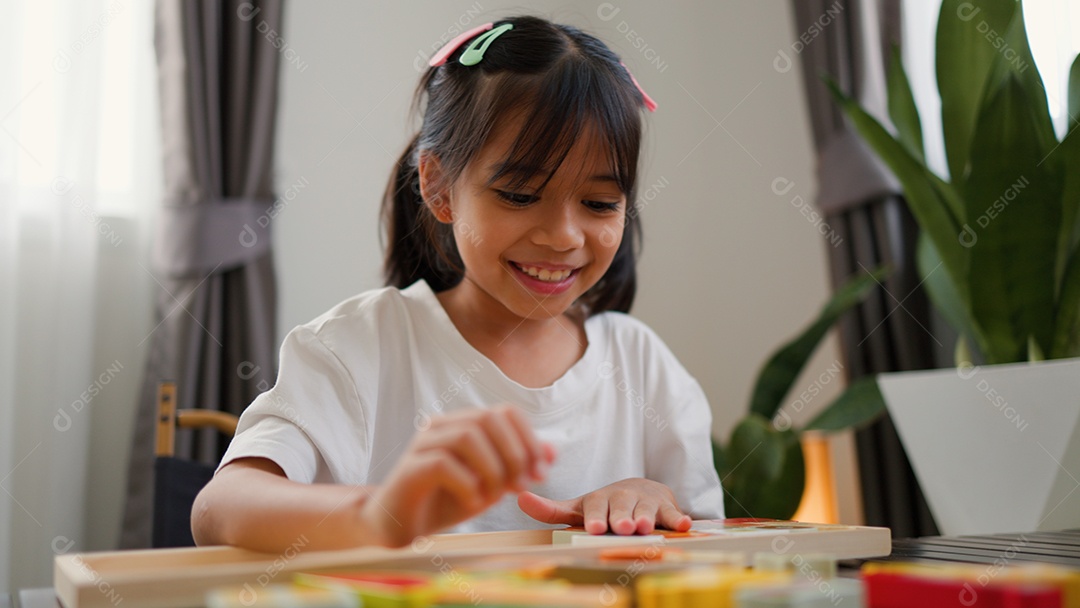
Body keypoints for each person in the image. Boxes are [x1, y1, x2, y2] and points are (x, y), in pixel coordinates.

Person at [192, 15, 723, 554]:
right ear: (439, 187)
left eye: (599, 203)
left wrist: (652, 501)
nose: (563, 236)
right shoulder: (359, 346)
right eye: (520, 195)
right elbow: (219, 508)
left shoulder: (644, 367)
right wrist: (377, 516)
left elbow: (713, 548)